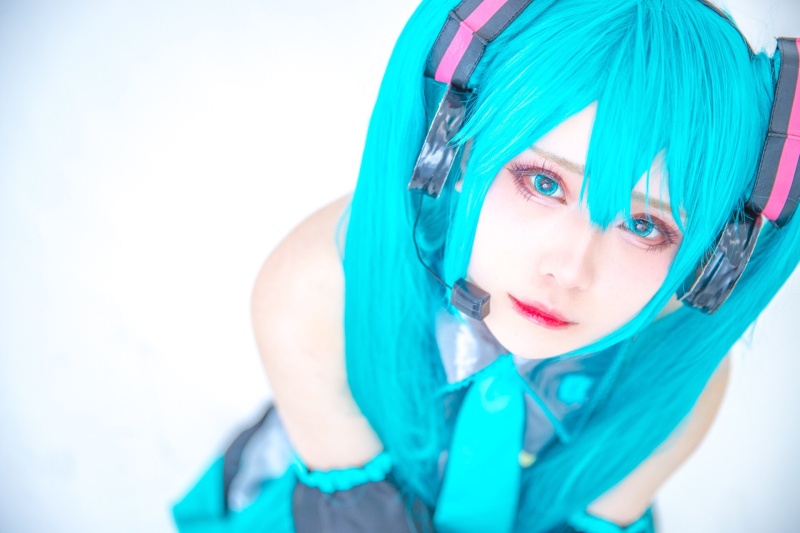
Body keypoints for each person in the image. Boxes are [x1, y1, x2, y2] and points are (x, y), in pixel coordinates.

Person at [173, 0, 800, 531]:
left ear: (716, 258)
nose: (569, 270)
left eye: (645, 226)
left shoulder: (675, 380)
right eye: (543, 182)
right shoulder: (320, 287)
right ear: (450, 148)